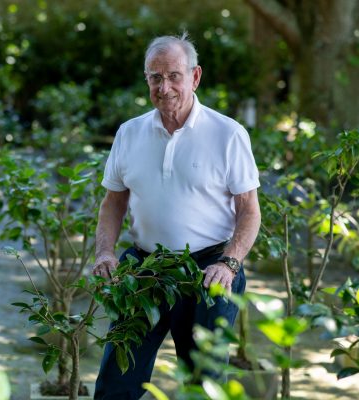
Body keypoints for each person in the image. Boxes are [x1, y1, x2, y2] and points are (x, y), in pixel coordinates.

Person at [92, 33, 261, 399]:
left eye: (173, 75)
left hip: (209, 271)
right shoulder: (129, 132)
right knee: (115, 382)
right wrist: (105, 252)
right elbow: (113, 202)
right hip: (142, 268)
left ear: (195, 77)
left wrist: (230, 264)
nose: (164, 86)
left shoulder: (228, 134)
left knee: (203, 382)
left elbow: (249, 209)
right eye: (155, 77)